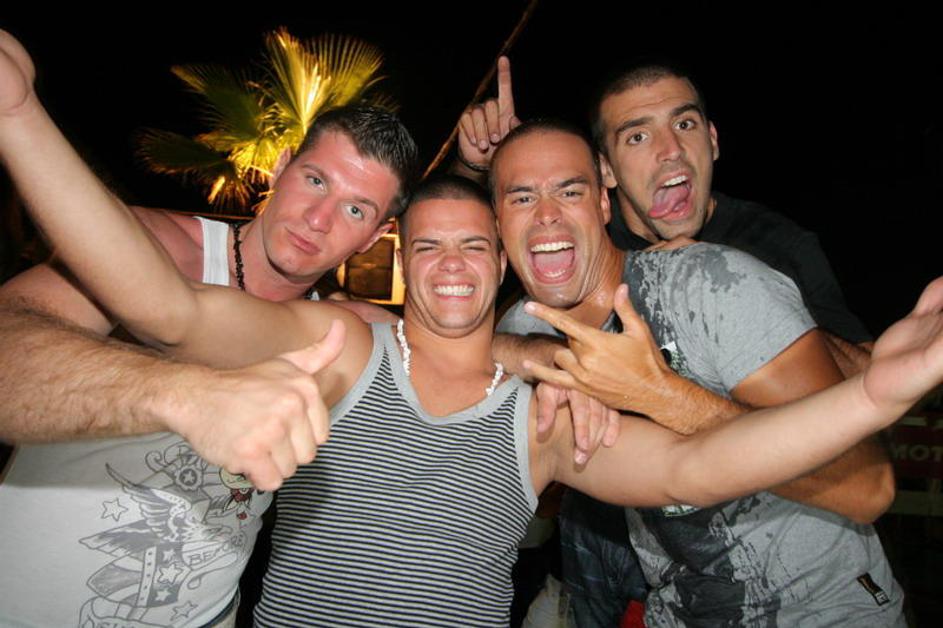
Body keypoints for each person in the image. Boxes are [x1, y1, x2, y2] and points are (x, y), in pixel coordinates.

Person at [2, 33, 940, 623]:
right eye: (428, 245)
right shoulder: (345, 344)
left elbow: (694, 468)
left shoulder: (542, 406)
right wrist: (20, 116)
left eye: (475, 244)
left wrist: (871, 395)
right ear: (401, 259)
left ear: (502, 262)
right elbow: (162, 308)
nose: (452, 263)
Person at [0, 29, 416, 626]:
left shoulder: (344, 328)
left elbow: (458, 350)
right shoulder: (157, 248)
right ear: (281, 166)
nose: (319, 219)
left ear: (375, 236)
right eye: (316, 180)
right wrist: (183, 395)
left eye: (355, 209)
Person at [487, 120, 902, 626]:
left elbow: (867, 484)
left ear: (603, 204)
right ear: (497, 222)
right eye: (522, 198)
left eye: (570, 191)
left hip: (820, 609)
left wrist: (661, 396)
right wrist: (523, 353)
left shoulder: (708, 285)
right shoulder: (522, 329)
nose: (547, 214)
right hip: (681, 612)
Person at [592, 63, 872, 372]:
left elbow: (868, 375)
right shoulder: (591, 247)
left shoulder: (779, 244)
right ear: (606, 169)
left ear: (712, 140)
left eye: (684, 124)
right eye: (638, 137)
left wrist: (747, 288)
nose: (671, 150)